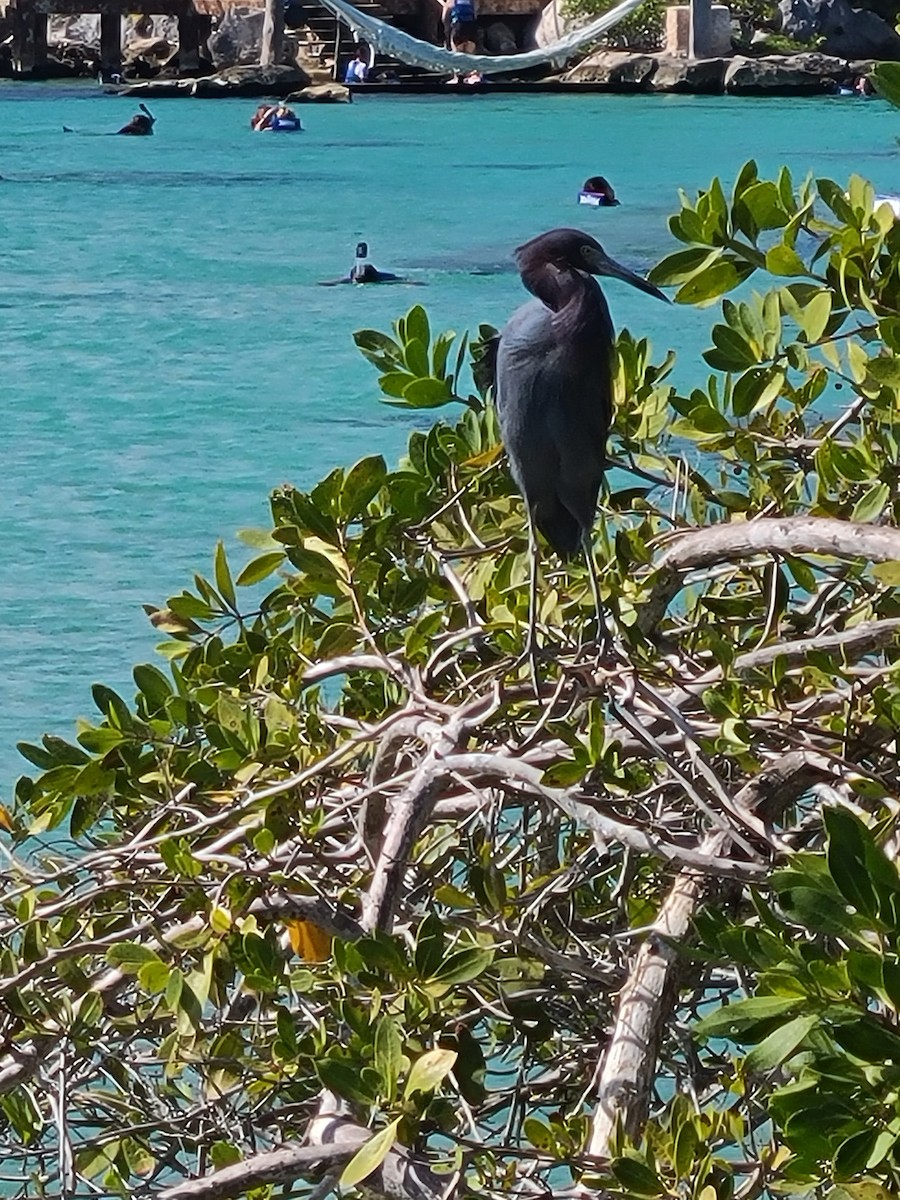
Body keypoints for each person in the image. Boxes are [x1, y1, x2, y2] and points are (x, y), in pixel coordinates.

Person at [437, 0, 480, 82]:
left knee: (457, 55)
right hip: (471, 27)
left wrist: (447, 29)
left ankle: (457, 77)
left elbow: (445, 16)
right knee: (470, 55)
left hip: (458, 28)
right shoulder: (472, 1)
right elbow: (475, 13)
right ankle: (471, 76)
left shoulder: (452, 1)